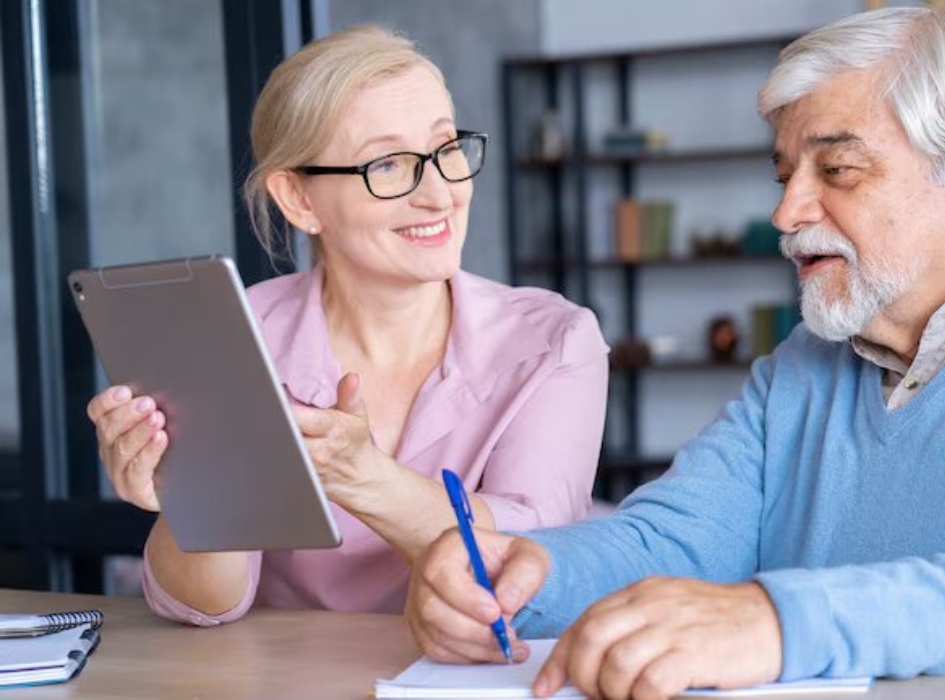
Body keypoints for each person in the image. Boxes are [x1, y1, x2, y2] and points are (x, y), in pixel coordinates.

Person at [406, 7, 945, 698]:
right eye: (785, 173)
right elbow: (675, 540)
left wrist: (783, 621)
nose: (787, 211)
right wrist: (526, 575)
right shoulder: (807, 363)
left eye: (838, 169)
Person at [85, 25, 609, 626]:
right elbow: (206, 607)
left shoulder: (554, 342)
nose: (440, 194)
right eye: (388, 165)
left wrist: (366, 480)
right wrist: (193, 502)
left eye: (446, 150)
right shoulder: (241, 335)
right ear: (299, 200)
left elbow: (532, 570)